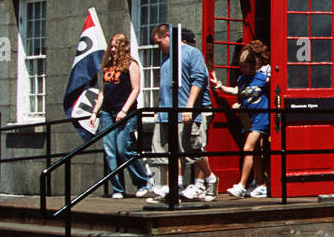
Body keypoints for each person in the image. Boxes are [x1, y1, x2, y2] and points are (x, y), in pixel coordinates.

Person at [149, 24, 217, 202]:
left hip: (185, 111)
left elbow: (199, 79)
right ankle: (174, 188)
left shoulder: (190, 53)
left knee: (193, 150)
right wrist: (159, 110)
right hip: (166, 113)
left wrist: (189, 106)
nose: (158, 47)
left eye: (159, 42)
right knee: (166, 152)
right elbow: (164, 87)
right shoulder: (166, 59)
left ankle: (211, 179)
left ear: (168, 36)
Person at [87, 33, 152, 199]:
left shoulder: (131, 64)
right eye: (112, 46)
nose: (113, 50)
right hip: (108, 112)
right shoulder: (108, 66)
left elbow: (136, 89)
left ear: (124, 47)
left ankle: (143, 181)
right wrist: (95, 112)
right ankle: (118, 188)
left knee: (124, 148)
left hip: (126, 112)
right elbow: (102, 91)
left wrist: (124, 110)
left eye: (117, 46)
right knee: (110, 150)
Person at [210, 40, 271, 198]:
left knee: (248, 149)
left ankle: (242, 185)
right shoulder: (242, 79)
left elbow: (277, 88)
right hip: (247, 118)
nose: (241, 69)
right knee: (255, 151)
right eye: (240, 66)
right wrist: (221, 88)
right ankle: (260, 182)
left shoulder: (263, 78)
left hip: (261, 117)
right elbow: (237, 91)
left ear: (253, 65)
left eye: (244, 66)